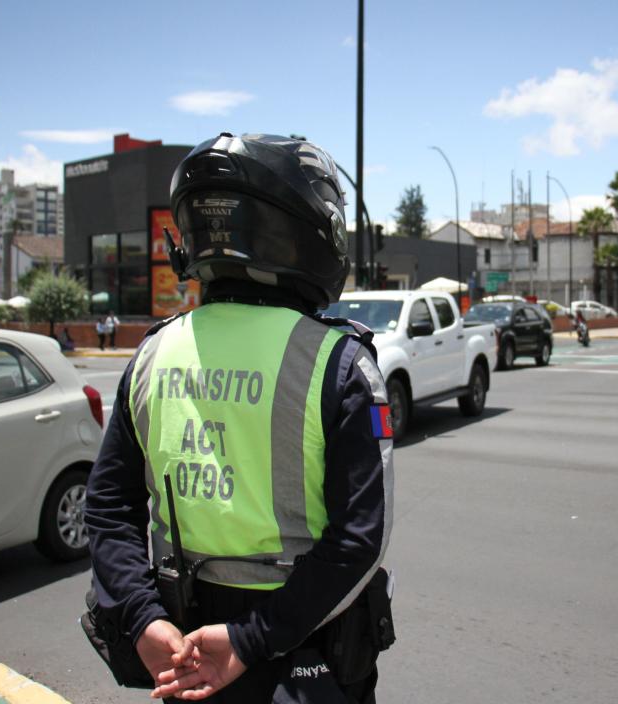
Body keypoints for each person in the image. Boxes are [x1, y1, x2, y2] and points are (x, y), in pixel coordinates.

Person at [86, 133, 393, 703]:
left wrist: (141, 617)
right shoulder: (339, 362)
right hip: (301, 650)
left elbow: (106, 508)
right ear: (310, 231)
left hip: (180, 650)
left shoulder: (152, 354)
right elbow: (359, 541)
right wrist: (250, 640)